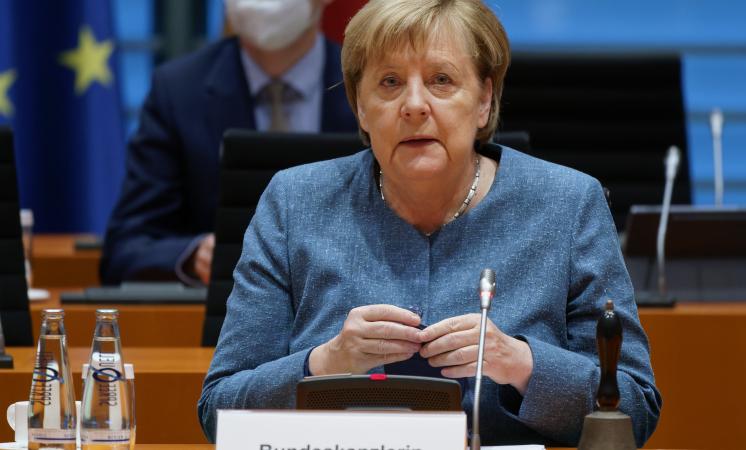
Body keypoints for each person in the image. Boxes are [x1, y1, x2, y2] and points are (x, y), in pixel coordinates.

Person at [198, 0, 661, 446]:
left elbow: (634, 410)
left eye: (441, 80)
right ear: (360, 106)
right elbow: (219, 412)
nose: (414, 105)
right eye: (390, 82)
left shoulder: (568, 204)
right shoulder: (293, 203)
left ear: (484, 100)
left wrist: (522, 363)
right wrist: (324, 362)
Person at [100, 0, 358, 286]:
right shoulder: (178, 91)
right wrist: (194, 255)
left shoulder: (373, 86)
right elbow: (126, 248)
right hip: (218, 315)